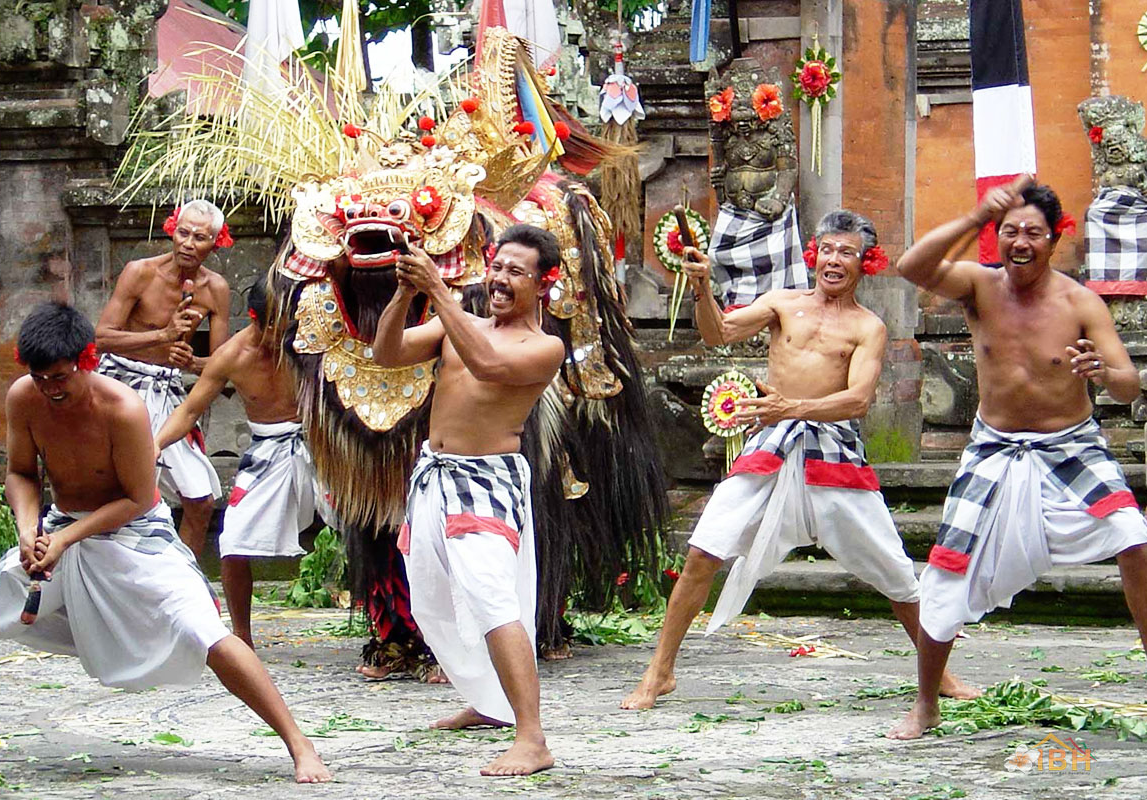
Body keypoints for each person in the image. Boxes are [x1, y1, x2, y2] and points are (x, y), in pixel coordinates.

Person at [0, 302, 328, 782]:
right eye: (40, 378)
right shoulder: (23, 397)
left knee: (207, 634)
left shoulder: (124, 409)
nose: (50, 389)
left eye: (60, 377)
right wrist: (29, 530)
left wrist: (63, 541)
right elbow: (20, 472)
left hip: (138, 533)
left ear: (87, 361)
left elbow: (138, 500)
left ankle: (298, 743)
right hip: (60, 524)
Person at [621, 210, 976, 712]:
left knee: (897, 574)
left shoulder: (868, 327)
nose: (834, 260)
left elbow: (857, 401)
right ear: (814, 254)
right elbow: (719, 332)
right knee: (704, 550)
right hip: (770, 449)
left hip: (834, 455)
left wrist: (793, 407)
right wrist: (702, 288)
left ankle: (938, 674)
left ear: (865, 262)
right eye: (827, 249)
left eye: (847, 252)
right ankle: (660, 672)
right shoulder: (783, 304)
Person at [888, 177, 1147, 739]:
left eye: (1033, 232)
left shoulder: (1081, 301)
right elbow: (910, 266)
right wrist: (977, 213)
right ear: (996, 237)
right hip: (994, 449)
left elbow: (1129, 384)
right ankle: (927, 702)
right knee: (947, 568)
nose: (1020, 241)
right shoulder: (979, 286)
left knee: (1134, 534)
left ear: (1054, 240)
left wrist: (1105, 373)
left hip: (1072, 446)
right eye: (1009, 231)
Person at [372, 224, 564, 777]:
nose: (500, 279)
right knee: (434, 599)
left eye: (515, 271)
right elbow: (386, 355)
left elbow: (488, 366)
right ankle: (488, 701)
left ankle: (532, 737)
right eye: (497, 266)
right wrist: (406, 295)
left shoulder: (543, 347)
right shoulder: (461, 324)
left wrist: (437, 290)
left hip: (487, 481)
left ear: (543, 283)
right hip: (433, 476)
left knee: (491, 597)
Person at [154, 278, 331, 650]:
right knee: (232, 540)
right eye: (276, 326)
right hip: (267, 450)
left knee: (371, 527)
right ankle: (242, 638)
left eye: (290, 323)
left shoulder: (309, 342)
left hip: (322, 444)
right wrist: (154, 445)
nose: (284, 333)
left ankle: (394, 628)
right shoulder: (232, 356)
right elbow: (189, 410)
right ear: (255, 318)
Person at [95, 200, 233, 555]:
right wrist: (162, 336)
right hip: (121, 386)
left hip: (169, 391)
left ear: (214, 243)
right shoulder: (140, 272)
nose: (188, 243)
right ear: (171, 231)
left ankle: (183, 581)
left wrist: (192, 362)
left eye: (199, 237)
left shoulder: (216, 289)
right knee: (124, 495)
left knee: (200, 500)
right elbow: (102, 338)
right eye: (183, 233)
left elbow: (220, 364)